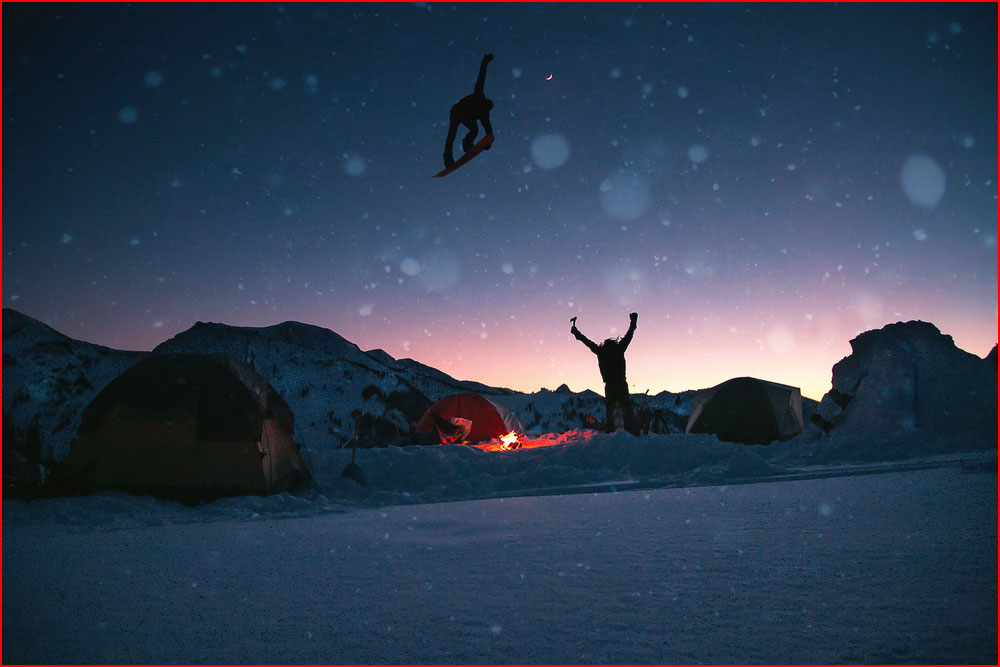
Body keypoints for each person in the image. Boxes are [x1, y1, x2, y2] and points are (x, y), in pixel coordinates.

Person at [571, 313, 640, 435]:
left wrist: (576, 333)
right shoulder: (619, 349)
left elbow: (587, 342)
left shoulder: (601, 351)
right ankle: (632, 432)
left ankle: (610, 432)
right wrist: (633, 322)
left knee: (610, 411)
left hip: (610, 386)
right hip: (621, 384)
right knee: (626, 409)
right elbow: (630, 334)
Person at [443, 53, 495, 168]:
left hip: (462, 114)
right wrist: (484, 62)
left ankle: (465, 146)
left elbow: (488, 131)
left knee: (470, 131)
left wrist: (487, 143)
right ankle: (452, 155)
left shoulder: (484, 114)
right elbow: (481, 78)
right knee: (456, 133)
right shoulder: (479, 96)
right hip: (458, 111)